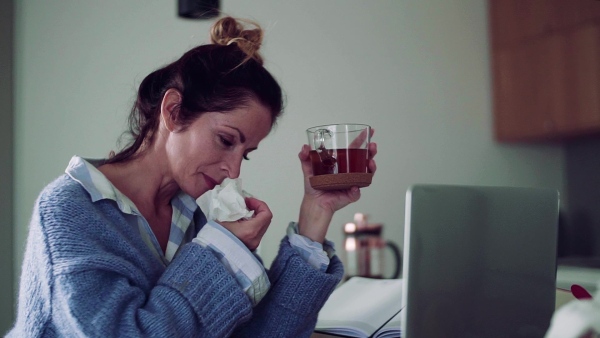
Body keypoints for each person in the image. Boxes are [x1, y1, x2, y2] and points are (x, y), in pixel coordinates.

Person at [7, 16, 377, 338]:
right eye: (225, 140)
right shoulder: (69, 211)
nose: (233, 170)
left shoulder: (192, 222)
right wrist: (221, 251)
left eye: (245, 153)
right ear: (173, 110)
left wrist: (316, 210)